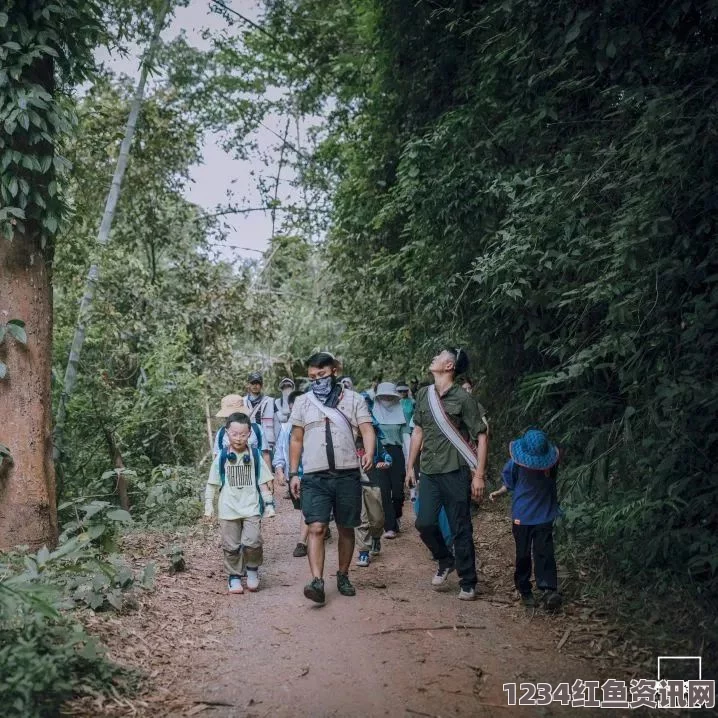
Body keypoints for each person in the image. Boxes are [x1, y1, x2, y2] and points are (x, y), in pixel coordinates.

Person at [288, 352, 375, 604]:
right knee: (316, 527)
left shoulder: (354, 399)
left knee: (346, 527)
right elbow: (296, 438)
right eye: (312, 377)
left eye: (322, 375)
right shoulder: (303, 402)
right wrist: (294, 473)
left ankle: (343, 574)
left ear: (334, 371)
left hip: (348, 473)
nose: (317, 380)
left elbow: (367, 429)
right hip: (315, 476)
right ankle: (317, 580)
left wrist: (368, 452)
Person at [405, 348, 488, 601]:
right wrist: (410, 466)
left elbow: (482, 435)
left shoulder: (464, 398)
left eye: (438, 356)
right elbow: (418, 431)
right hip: (429, 470)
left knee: (460, 526)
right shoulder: (423, 394)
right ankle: (444, 559)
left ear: (449, 365)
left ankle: (468, 580)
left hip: (455, 471)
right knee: (424, 522)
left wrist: (479, 475)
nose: (433, 358)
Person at [490, 429, 562, 610]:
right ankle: (525, 590)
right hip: (522, 515)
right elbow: (509, 482)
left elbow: (552, 482)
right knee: (523, 554)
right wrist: (499, 492)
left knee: (544, 551)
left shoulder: (552, 462)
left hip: (544, 513)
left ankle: (548, 590)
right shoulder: (516, 463)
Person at [203, 413, 274, 593]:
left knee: (253, 541)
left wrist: (269, 504)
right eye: (234, 434)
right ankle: (234, 576)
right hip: (228, 508)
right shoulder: (221, 457)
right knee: (231, 545)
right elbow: (212, 483)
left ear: (249, 434)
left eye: (243, 434)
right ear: (227, 433)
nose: (238, 438)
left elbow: (263, 482)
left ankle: (252, 570)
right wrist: (209, 505)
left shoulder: (255, 455)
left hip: (251, 507)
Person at [213, 395, 274, 517]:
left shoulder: (256, 429)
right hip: (230, 482)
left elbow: (264, 453)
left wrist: (269, 477)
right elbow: (216, 457)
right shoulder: (221, 433)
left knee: (254, 515)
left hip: (253, 478)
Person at [273, 390, 310, 557]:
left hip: (312, 473)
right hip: (294, 474)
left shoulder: (312, 425)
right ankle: (318, 524)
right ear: (290, 406)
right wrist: (280, 470)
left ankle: (302, 542)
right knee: (303, 506)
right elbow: (280, 450)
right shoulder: (286, 428)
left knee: (307, 507)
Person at [372, 382, 410, 539]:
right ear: (379, 397)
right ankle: (390, 526)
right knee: (384, 491)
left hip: (396, 453)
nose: (386, 398)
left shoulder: (401, 413)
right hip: (379, 454)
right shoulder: (372, 413)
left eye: (389, 395)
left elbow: (406, 438)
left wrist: (409, 462)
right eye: (383, 395)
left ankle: (396, 515)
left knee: (398, 492)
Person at [355, 417, 391, 567]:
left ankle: (376, 537)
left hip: (373, 483)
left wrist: (386, 463)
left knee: (377, 519)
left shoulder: (375, 441)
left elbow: (387, 456)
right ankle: (363, 552)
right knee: (361, 520)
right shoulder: (346, 440)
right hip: (354, 484)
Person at [244, 372, 280, 451]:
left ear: (261, 385)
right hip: (248, 444)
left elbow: (277, 425)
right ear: (248, 384)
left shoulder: (270, 401)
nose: (255, 386)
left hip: (268, 444)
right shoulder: (242, 402)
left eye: (257, 383)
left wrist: (277, 444)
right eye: (252, 383)